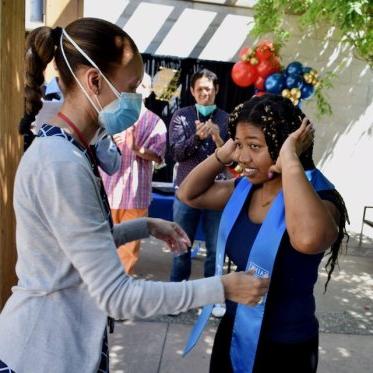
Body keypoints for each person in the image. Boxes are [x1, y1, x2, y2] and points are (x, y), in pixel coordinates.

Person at [0, 19, 270, 372]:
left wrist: (140, 226)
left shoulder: (70, 150)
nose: (136, 101)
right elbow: (117, 296)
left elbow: (74, 253)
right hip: (44, 350)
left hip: (62, 343)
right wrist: (222, 288)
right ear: (94, 81)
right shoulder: (60, 163)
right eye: (129, 88)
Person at [177, 94, 349, 373]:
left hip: (287, 346)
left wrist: (290, 159)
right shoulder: (245, 189)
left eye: (254, 146)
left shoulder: (322, 197)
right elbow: (189, 194)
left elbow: (308, 239)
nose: (243, 157)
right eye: (240, 145)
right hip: (233, 331)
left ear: (285, 147)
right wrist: (224, 152)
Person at [101, 73, 167, 274]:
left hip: (135, 195)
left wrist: (137, 149)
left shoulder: (156, 123)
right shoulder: (110, 116)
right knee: (102, 244)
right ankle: (99, 288)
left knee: (129, 249)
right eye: (134, 84)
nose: (137, 89)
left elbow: (159, 157)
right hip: (107, 191)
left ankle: (118, 292)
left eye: (142, 86)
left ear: (148, 91)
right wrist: (110, 140)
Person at [169, 69, 229, 280]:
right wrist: (197, 137)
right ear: (193, 92)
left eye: (209, 89)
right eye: (201, 89)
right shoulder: (181, 116)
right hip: (187, 190)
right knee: (181, 245)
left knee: (215, 249)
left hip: (217, 191)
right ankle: (178, 292)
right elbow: (176, 153)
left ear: (217, 90)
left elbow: (232, 160)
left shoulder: (225, 119)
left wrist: (218, 139)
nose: (205, 94)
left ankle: (211, 296)